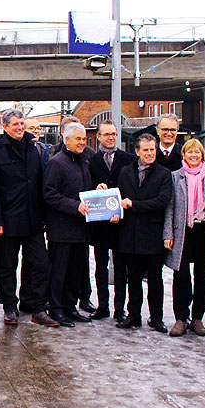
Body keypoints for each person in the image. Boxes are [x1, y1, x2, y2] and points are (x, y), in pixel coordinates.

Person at [0, 109, 56, 327]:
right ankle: (9, 306)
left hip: (32, 219)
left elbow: (39, 183)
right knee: (7, 265)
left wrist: (43, 215)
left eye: (22, 123)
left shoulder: (33, 149)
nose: (20, 128)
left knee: (39, 263)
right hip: (7, 221)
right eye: (15, 124)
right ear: (5, 127)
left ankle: (37, 306)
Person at [115, 133, 172, 333]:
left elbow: (162, 201)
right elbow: (119, 195)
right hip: (130, 234)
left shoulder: (164, 174)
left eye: (152, 150)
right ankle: (134, 315)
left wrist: (134, 205)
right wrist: (115, 209)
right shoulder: (125, 172)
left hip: (153, 234)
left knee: (155, 279)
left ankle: (156, 318)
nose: (149, 153)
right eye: (146, 150)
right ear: (137, 151)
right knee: (134, 278)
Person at [163, 138, 205, 337]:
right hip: (183, 231)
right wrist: (168, 233)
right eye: (190, 152)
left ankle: (197, 318)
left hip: (204, 230)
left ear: (202, 155)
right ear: (184, 155)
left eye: (197, 152)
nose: (194, 155)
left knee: (202, 276)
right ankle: (180, 318)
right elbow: (169, 207)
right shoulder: (175, 177)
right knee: (181, 275)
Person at [42, 123, 93, 328]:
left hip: (81, 229)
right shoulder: (57, 163)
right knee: (59, 271)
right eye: (78, 139)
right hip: (62, 229)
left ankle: (70, 306)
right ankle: (56, 308)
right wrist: (74, 206)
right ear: (67, 140)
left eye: (84, 139)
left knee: (75, 270)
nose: (82, 143)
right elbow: (49, 194)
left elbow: (83, 190)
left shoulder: (83, 162)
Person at [86, 121, 136, 322]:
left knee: (121, 268)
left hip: (120, 222)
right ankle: (102, 305)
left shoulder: (128, 159)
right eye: (106, 134)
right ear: (98, 137)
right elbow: (85, 188)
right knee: (100, 267)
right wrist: (94, 190)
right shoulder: (91, 161)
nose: (111, 138)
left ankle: (119, 308)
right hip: (99, 224)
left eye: (114, 134)